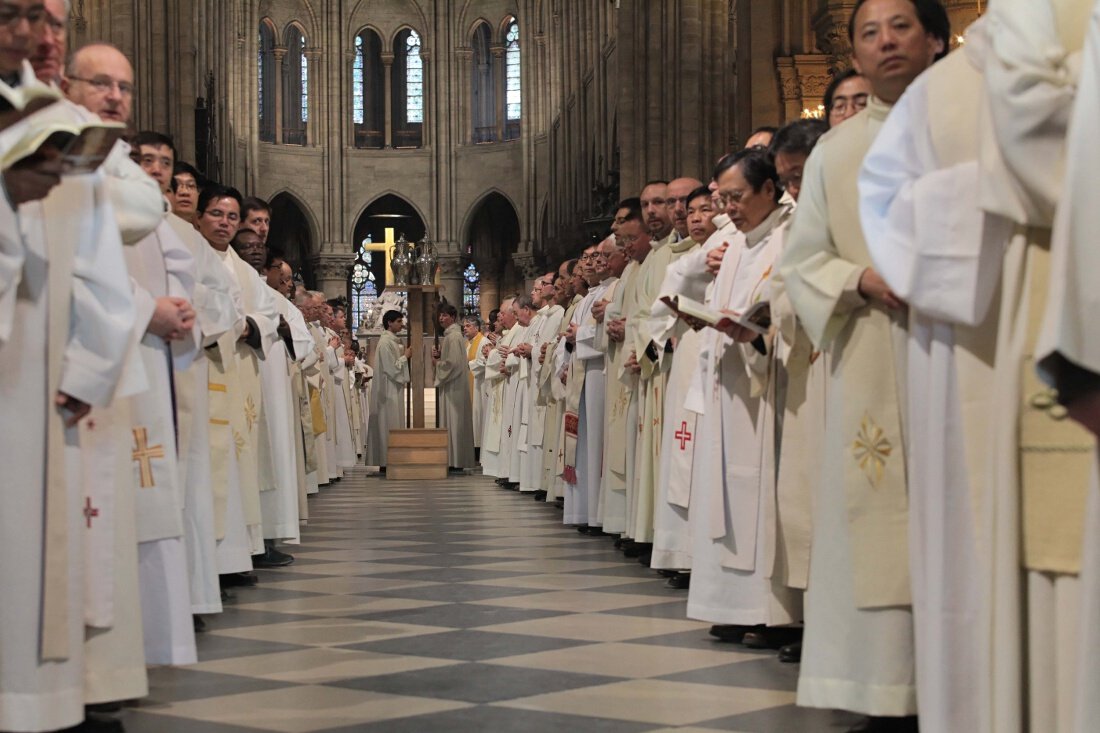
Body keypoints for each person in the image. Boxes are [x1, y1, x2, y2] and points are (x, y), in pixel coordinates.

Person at [779, 0, 949, 727]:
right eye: (869, 33)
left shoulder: (978, 125)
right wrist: (860, 279)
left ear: (938, 36)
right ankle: (884, 684)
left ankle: (971, 672)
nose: (885, 43)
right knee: (876, 513)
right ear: (850, 50)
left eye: (901, 26)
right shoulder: (836, 154)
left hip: (971, 358)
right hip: (875, 348)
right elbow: (803, 257)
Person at [366, 309, 411, 471]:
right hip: (388, 389)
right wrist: (405, 356)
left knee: (393, 421)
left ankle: (393, 458)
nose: (401, 324)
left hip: (393, 387)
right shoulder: (385, 342)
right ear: (389, 323)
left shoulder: (392, 341)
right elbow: (391, 368)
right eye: (398, 321)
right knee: (388, 421)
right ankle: (386, 460)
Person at [433, 303, 475, 470]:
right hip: (452, 385)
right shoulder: (451, 335)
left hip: (454, 387)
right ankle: (453, 458)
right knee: (453, 421)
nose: (441, 318)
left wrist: (438, 363)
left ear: (453, 317)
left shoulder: (454, 336)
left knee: (454, 421)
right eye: (440, 315)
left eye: (444, 315)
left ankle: (456, 460)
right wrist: (440, 356)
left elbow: (454, 364)